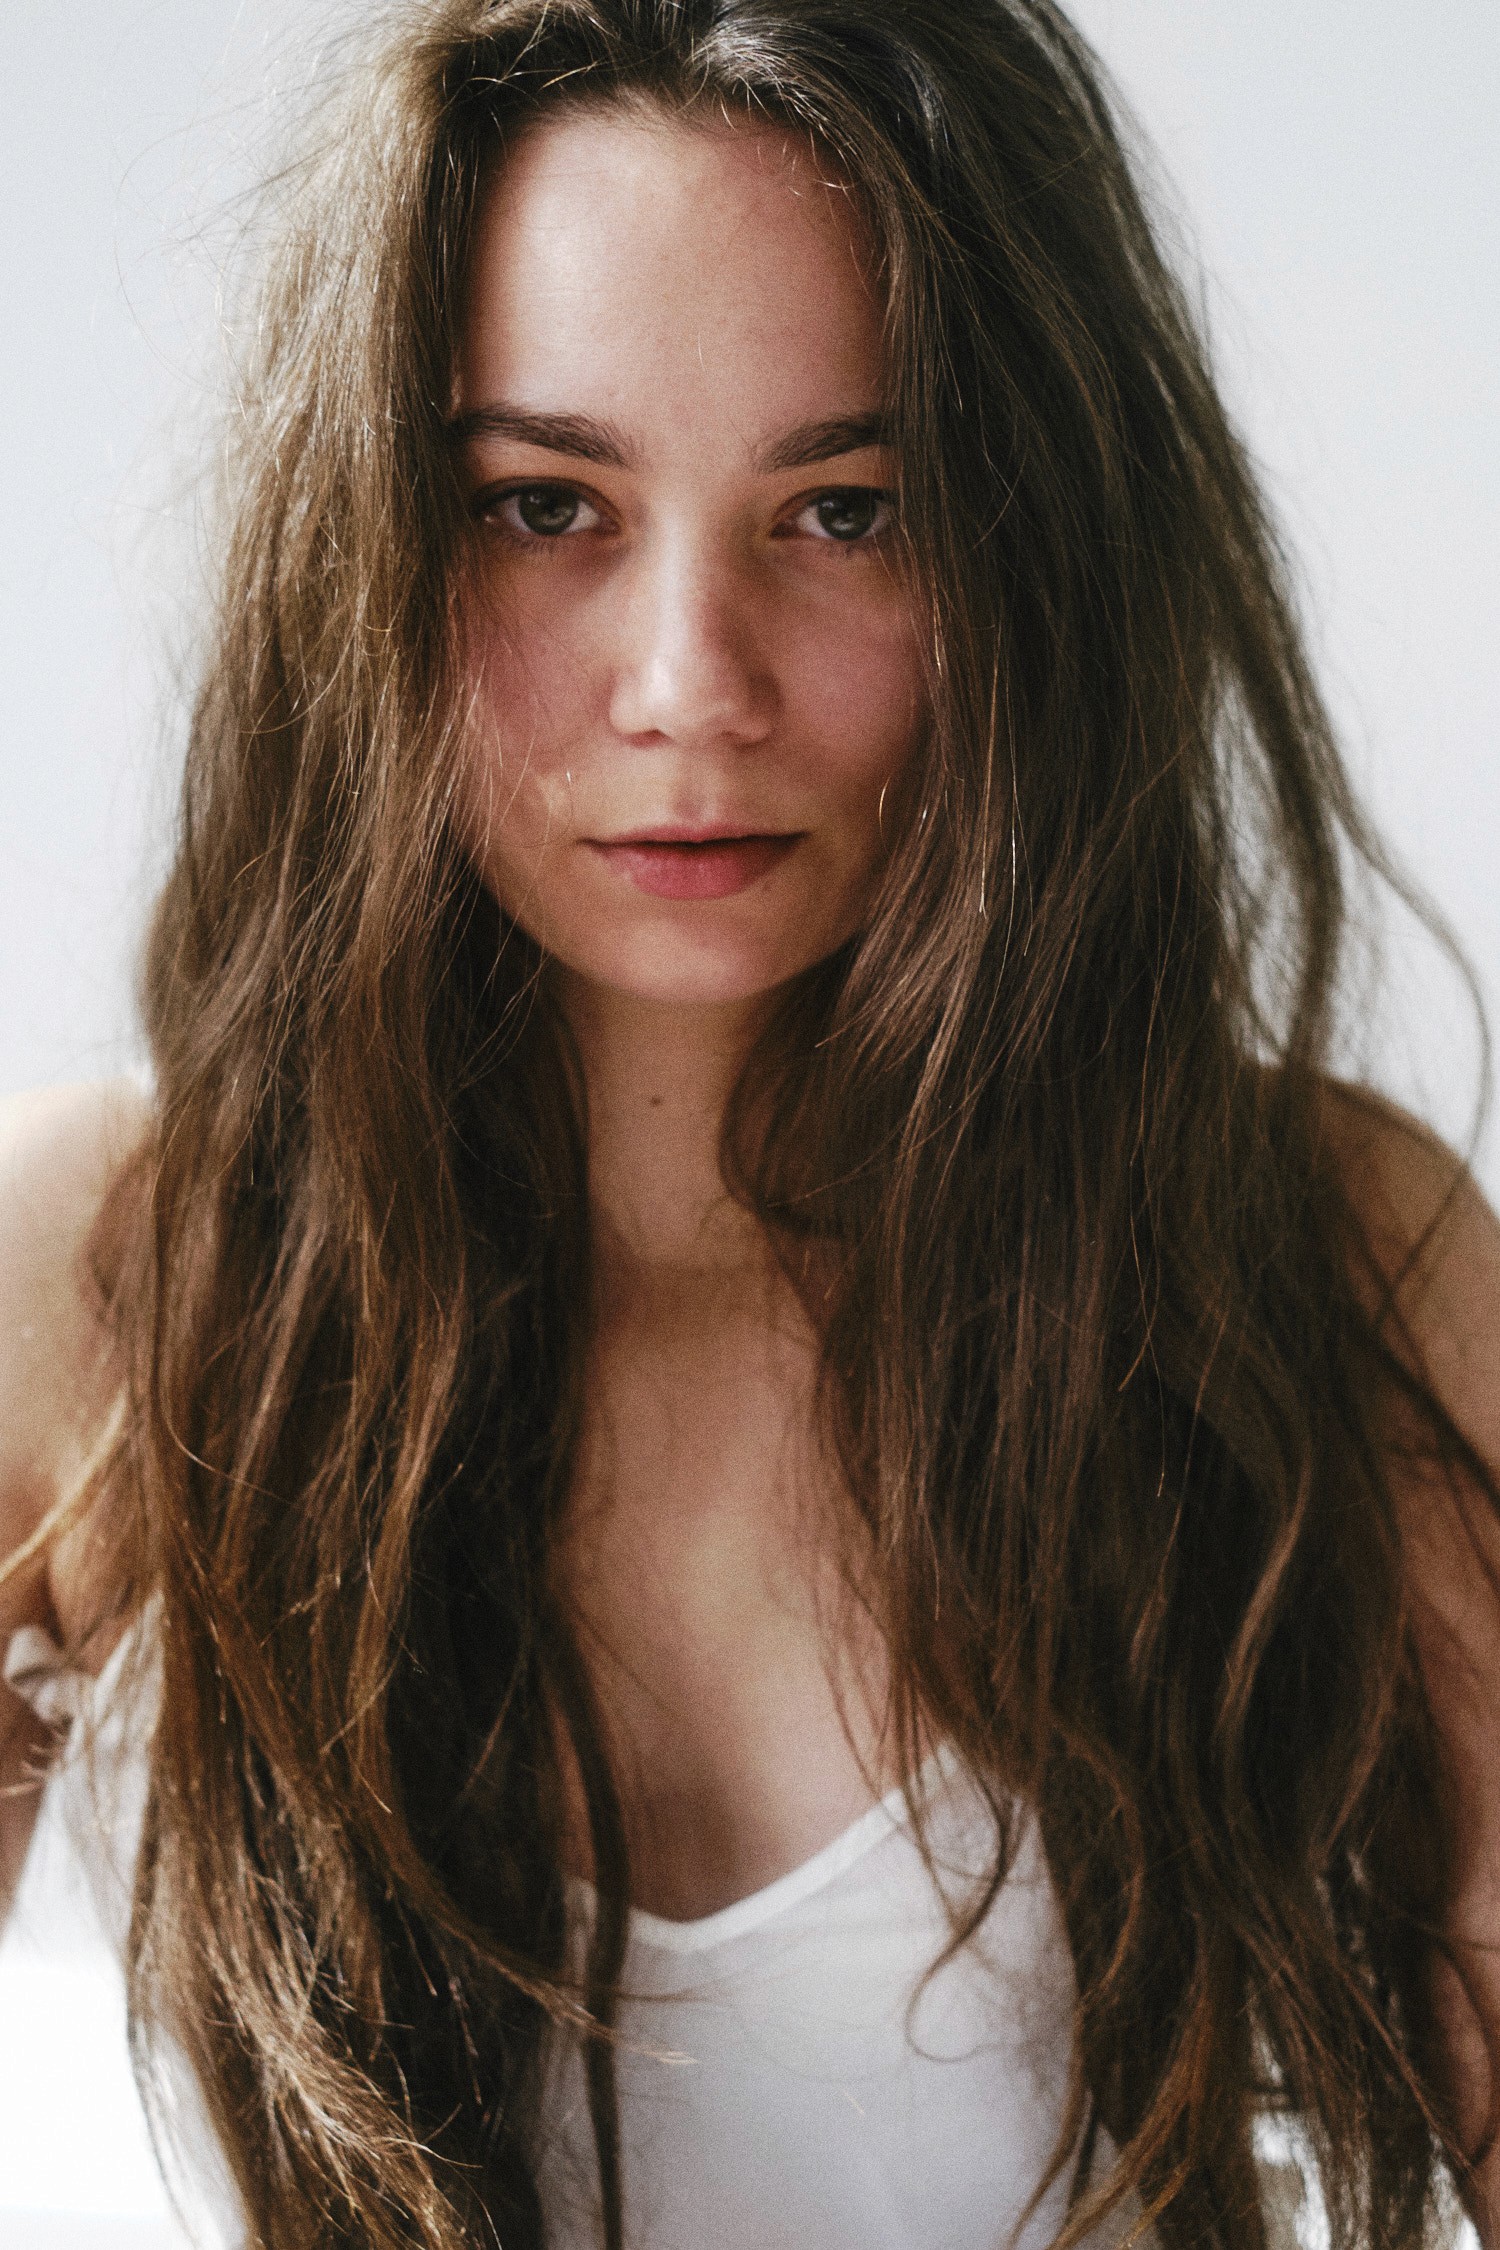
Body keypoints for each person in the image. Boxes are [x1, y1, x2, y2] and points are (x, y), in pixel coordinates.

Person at [2, 1, 1498, 2245]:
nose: (692, 673)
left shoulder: (1296, 1254)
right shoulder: (107, 1293)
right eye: (542, 507)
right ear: (366, 552)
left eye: (847, 509)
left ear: (1034, 562)